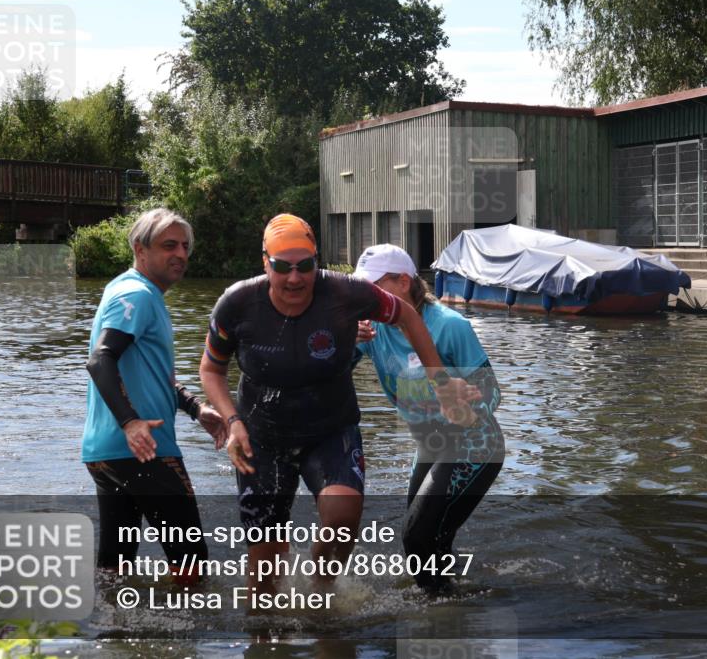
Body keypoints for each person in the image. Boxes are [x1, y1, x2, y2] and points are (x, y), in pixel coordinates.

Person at [199, 214, 477, 599]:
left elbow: (408, 315)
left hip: (330, 429)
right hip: (260, 436)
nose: (294, 278)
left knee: (343, 519)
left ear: (318, 261)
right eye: (282, 267)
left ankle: (321, 592)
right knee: (263, 571)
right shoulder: (237, 303)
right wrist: (232, 422)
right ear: (265, 262)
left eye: (305, 266)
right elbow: (211, 369)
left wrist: (441, 382)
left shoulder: (346, 293)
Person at [82, 208, 227, 584]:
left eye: (184, 246)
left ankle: (113, 636)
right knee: (190, 559)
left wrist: (195, 408)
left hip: (106, 451)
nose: (180, 253)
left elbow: (149, 372)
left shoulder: (128, 289)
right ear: (139, 248)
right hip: (144, 448)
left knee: (115, 564)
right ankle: (189, 634)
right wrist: (131, 423)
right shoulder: (138, 295)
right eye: (168, 245)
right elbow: (100, 359)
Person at [353, 243, 504, 594]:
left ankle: (442, 613)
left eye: (373, 287)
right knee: (429, 541)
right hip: (429, 447)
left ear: (403, 282)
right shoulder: (371, 330)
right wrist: (345, 341)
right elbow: (332, 372)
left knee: (417, 538)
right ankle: (457, 608)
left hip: (474, 444)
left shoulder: (449, 326)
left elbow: (492, 392)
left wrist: (467, 402)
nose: (366, 298)